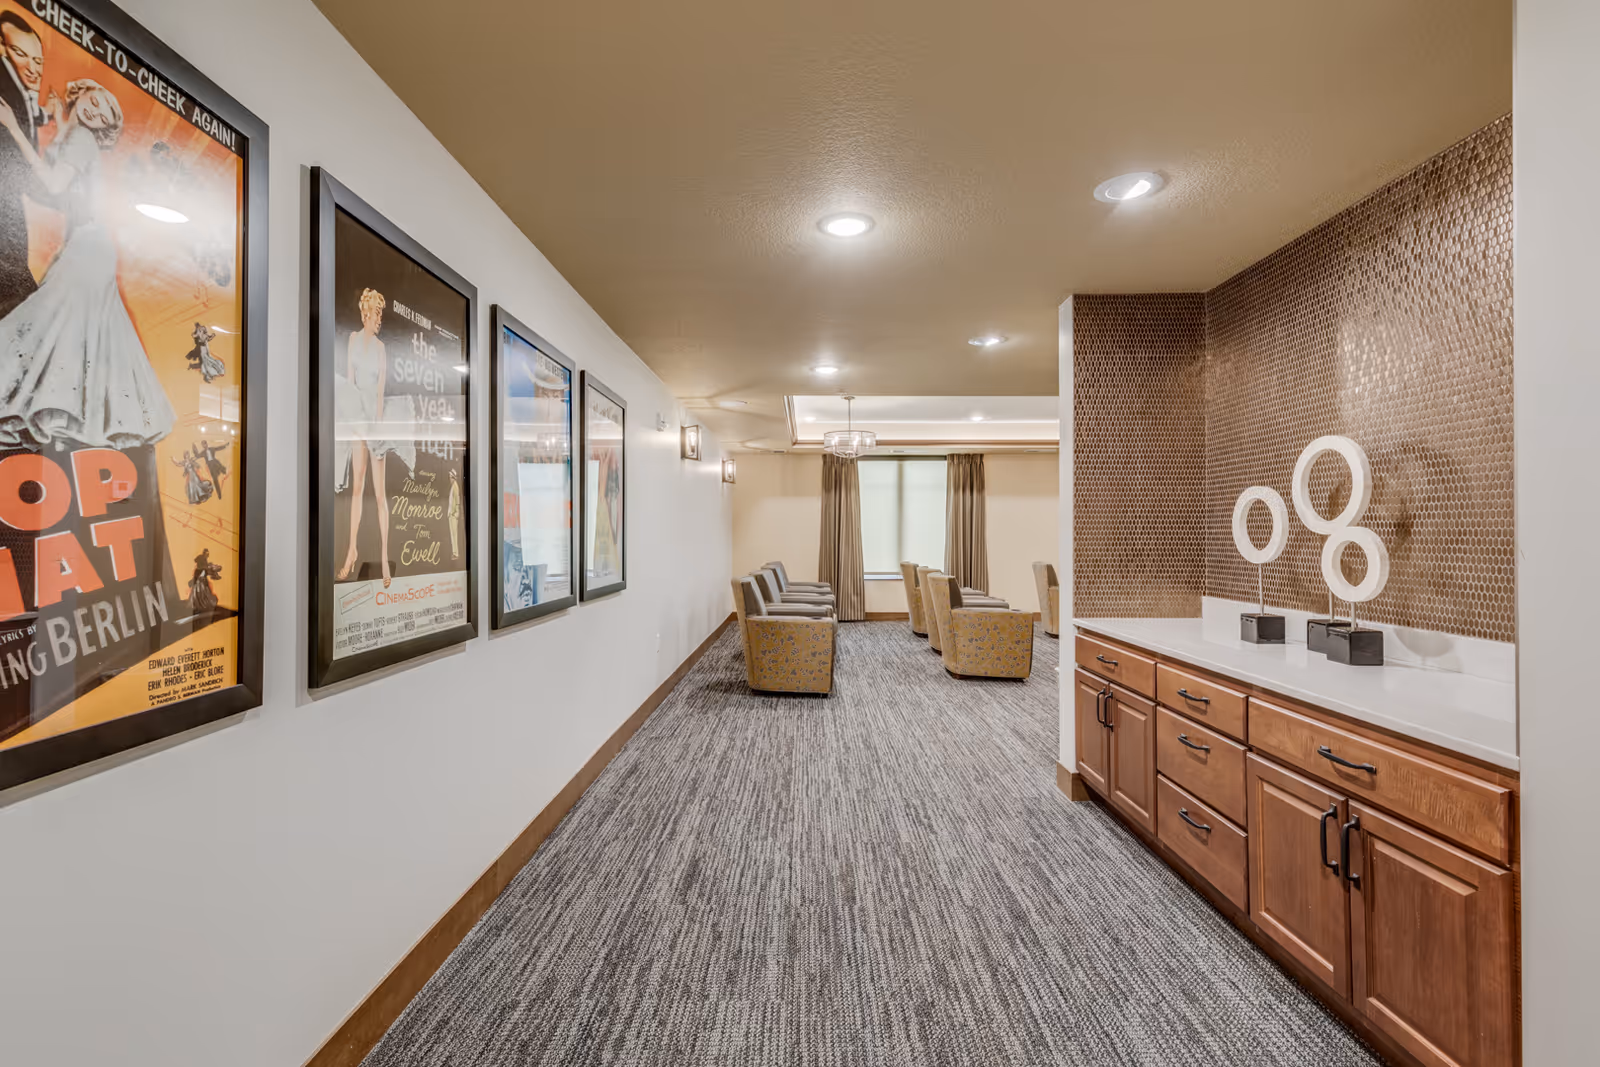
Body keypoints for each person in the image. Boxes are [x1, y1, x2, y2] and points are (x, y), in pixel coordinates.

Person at [0, 79, 175, 449]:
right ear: (81, 96)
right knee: (81, 334)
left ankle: (49, 422)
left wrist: (14, 127)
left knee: (54, 323)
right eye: (95, 101)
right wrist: (59, 123)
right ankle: (70, 429)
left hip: (88, 248)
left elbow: (53, 184)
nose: (96, 111)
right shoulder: (78, 138)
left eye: (104, 113)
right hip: (89, 246)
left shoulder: (80, 139)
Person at [333, 288, 414, 587]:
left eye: (381, 314)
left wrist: (376, 427)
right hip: (356, 416)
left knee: (379, 493)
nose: (379, 319)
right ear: (366, 313)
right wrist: (353, 420)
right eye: (376, 313)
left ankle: (383, 558)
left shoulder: (381, 347)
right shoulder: (353, 340)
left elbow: (379, 392)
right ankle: (351, 550)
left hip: (373, 420)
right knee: (357, 485)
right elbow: (349, 385)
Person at [0, 11, 48, 319]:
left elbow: (27, 117)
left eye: (38, 60)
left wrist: (47, 113)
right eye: (21, 54)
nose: (33, 68)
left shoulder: (17, 87)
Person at [188, 549, 221, 614]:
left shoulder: (202, 559)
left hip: (200, 576)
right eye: (207, 554)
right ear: (205, 553)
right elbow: (200, 565)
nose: (207, 555)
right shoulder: (202, 558)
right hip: (200, 576)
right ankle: (199, 605)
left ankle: (200, 605)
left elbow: (199, 563)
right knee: (199, 590)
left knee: (201, 590)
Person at [448, 468, 461, 560]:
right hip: (451, 513)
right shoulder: (453, 486)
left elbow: (457, 500)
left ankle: (455, 553)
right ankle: (454, 552)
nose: (449, 479)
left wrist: (456, 512)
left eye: (450, 477)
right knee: (452, 534)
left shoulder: (455, 486)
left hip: (453, 514)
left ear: (453, 477)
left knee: (454, 534)